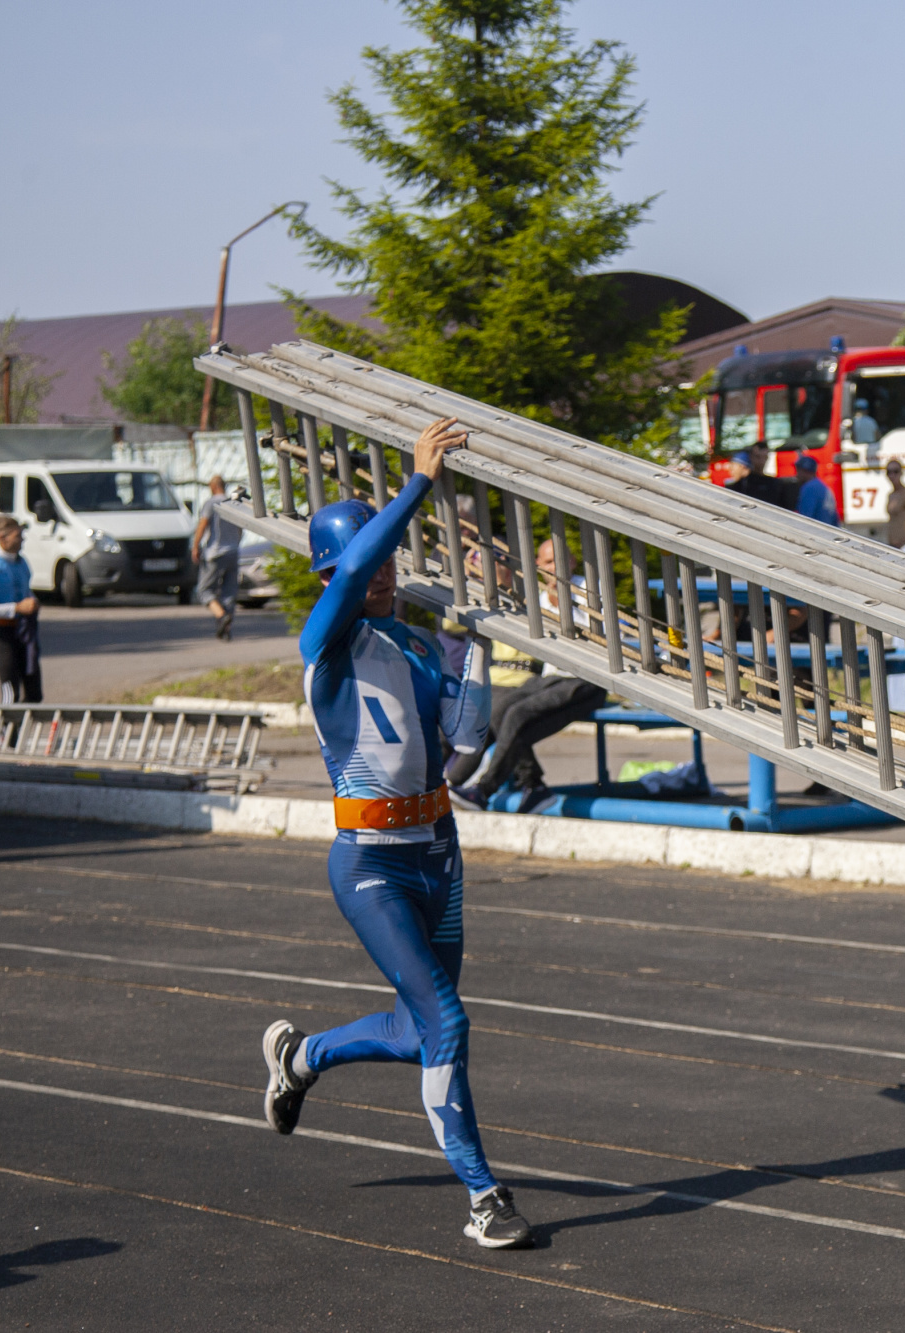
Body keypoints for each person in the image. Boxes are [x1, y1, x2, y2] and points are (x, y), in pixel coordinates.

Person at [258, 416, 533, 1250]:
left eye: (387, 564)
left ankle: (304, 1057)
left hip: (439, 855)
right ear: (336, 571)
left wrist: (478, 648)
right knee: (449, 1024)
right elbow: (346, 583)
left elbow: (464, 746)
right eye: (366, 563)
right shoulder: (324, 644)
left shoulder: (414, 643)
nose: (382, 574)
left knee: (425, 1028)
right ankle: (485, 1196)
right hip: (371, 866)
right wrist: (417, 484)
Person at [448, 538, 609, 812]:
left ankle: (484, 790)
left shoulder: (589, 591)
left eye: (561, 561)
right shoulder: (540, 599)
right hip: (550, 679)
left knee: (516, 715)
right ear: (538, 566)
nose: (555, 569)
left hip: (587, 680)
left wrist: (566, 600)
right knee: (499, 709)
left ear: (572, 562)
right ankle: (534, 786)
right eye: (548, 563)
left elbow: (603, 634)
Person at [0, 514, 41, 704]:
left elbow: (25, 590)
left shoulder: (21, 562)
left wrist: (32, 601)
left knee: (34, 690)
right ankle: (7, 732)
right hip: (2, 630)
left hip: (24, 630)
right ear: (3, 538)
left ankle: (24, 731)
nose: (22, 539)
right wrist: (15, 608)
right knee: (10, 689)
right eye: (18, 536)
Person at [190, 474, 243, 641]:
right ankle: (226, 629)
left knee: (204, 590)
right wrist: (235, 543)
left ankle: (221, 616)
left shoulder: (211, 503)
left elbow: (203, 524)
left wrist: (195, 546)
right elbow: (240, 528)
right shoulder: (233, 503)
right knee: (229, 592)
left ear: (213, 487)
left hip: (214, 552)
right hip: (233, 552)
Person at [793, 452, 840, 525]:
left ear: (805, 471)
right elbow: (835, 519)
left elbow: (805, 518)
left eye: (798, 470)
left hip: (816, 532)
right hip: (829, 532)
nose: (797, 474)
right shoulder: (823, 486)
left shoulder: (809, 488)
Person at [883, 456, 905, 547]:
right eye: (889, 472)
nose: (892, 475)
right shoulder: (891, 495)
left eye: (895, 471)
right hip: (893, 543)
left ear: (901, 473)